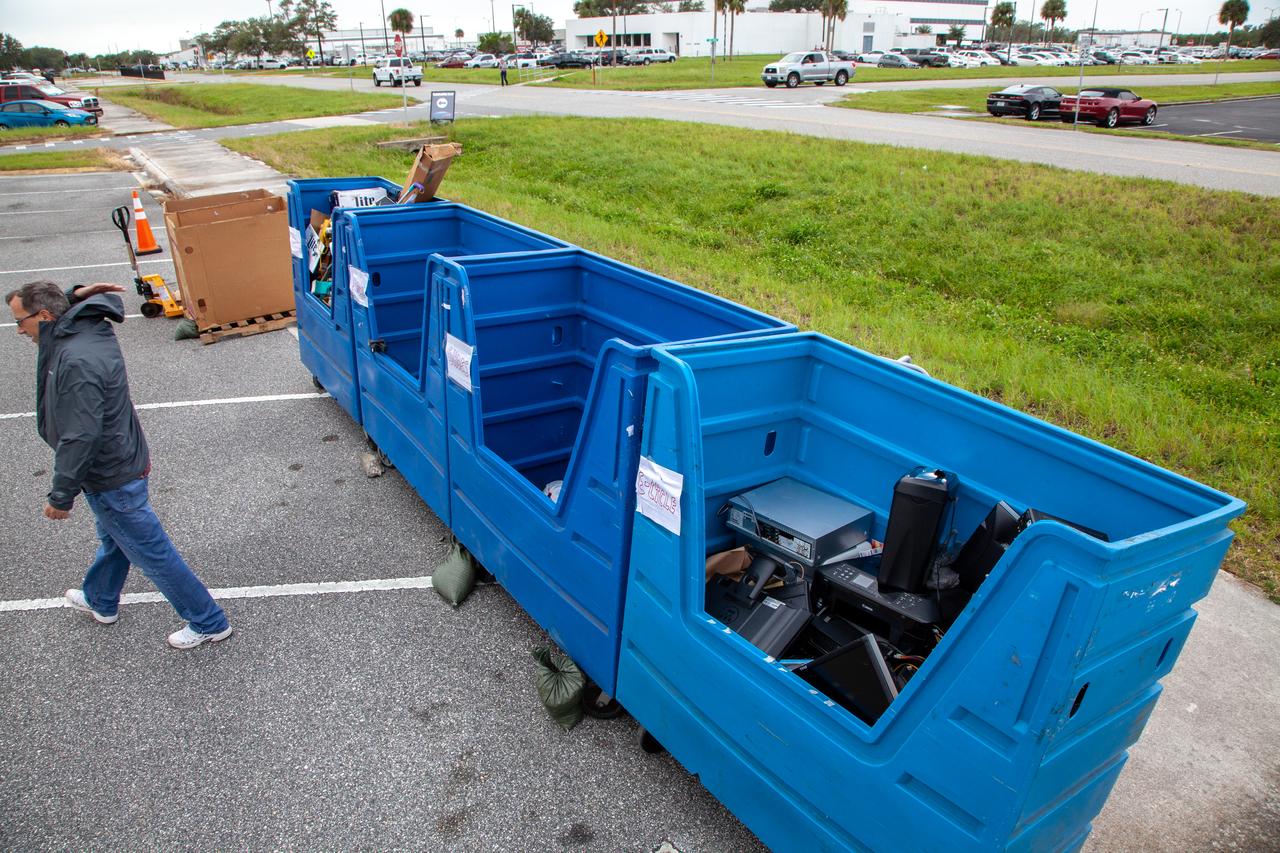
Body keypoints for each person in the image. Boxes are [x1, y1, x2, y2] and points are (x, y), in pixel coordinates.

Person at [6, 280, 232, 650]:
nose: (18, 329)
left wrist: (61, 495)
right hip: (122, 458)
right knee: (115, 539)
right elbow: (58, 320)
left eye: (21, 321)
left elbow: (81, 435)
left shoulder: (76, 359)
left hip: (109, 474)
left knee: (151, 551)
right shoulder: (86, 328)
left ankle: (208, 620)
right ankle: (100, 599)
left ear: (45, 317)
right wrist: (75, 296)